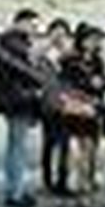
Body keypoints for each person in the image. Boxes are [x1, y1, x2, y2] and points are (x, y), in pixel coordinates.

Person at [0, 9, 44, 207]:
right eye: (33, 25)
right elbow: (27, 67)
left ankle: (15, 188)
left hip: (18, 100)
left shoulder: (13, 42)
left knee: (16, 146)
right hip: (18, 101)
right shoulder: (13, 42)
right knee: (18, 148)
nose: (35, 30)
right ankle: (14, 193)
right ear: (21, 22)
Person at [57, 23, 105, 207]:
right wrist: (89, 82)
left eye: (97, 38)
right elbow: (64, 84)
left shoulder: (97, 59)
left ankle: (87, 187)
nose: (95, 42)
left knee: (91, 152)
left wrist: (102, 82)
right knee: (79, 154)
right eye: (92, 38)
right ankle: (82, 193)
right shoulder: (70, 59)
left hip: (94, 109)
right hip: (77, 110)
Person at [38, 18, 73, 197]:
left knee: (65, 144)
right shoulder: (43, 54)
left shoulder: (69, 55)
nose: (60, 36)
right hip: (48, 104)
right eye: (56, 32)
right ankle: (47, 180)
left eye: (63, 33)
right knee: (49, 143)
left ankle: (63, 180)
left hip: (66, 104)